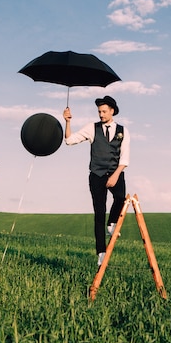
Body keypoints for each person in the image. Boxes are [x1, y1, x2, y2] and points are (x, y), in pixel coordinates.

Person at [63, 96, 130, 266]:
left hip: (116, 172)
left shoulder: (124, 130)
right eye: (99, 111)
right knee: (99, 213)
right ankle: (101, 252)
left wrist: (115, 175)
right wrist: (68, 122)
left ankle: (112, 223)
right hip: (96, 175)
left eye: (104, 111)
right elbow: (69, 141)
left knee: (121, 197)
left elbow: (125, 157)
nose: (101, 114)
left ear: (112, 111)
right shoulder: (92, 128)